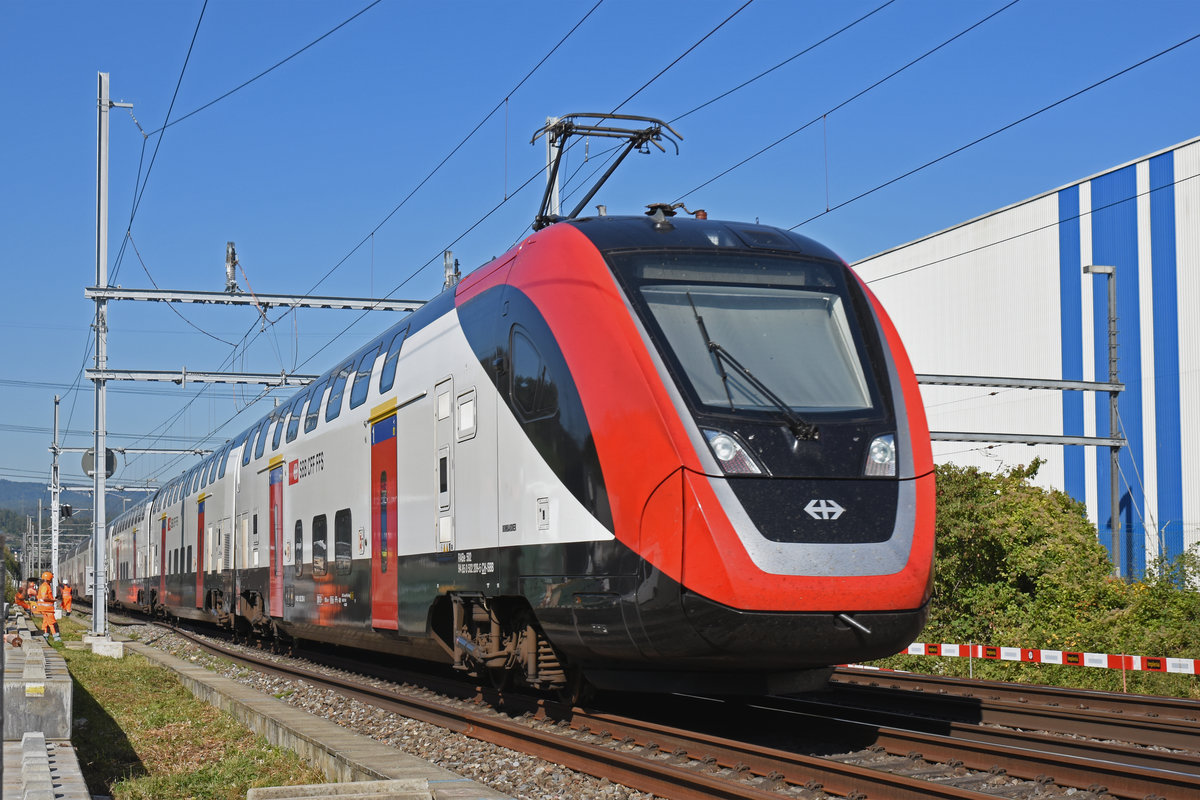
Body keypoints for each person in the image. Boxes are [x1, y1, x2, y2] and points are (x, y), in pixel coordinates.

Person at [36, 571, 60, 643]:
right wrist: (53, 600)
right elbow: (44, 597)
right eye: (51, 578)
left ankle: (45, 635)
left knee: (45, 622)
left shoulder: (44, 586)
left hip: (44, 608)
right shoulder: (45, 586)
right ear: (49, 578)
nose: (52, 580)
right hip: (47, 609)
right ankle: (56, 637)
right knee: (52, 623)